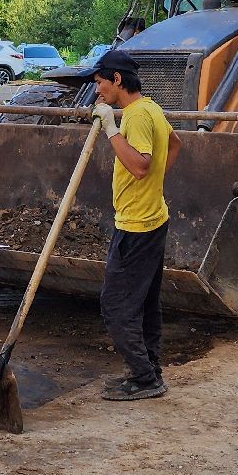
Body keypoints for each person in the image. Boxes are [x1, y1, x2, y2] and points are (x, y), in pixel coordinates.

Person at [84, 49, 180, 401]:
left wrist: (111, 128)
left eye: (99, 83)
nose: (97, 91)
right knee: (147, 303)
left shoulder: (137, 116)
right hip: (154, 219)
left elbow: (139, 166)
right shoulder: (152, 108)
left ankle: (144, 377)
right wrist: (156, 181)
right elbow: (176, 145)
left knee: (116, 306)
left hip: (136, 227)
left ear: (117, 80)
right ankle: (150, 370)